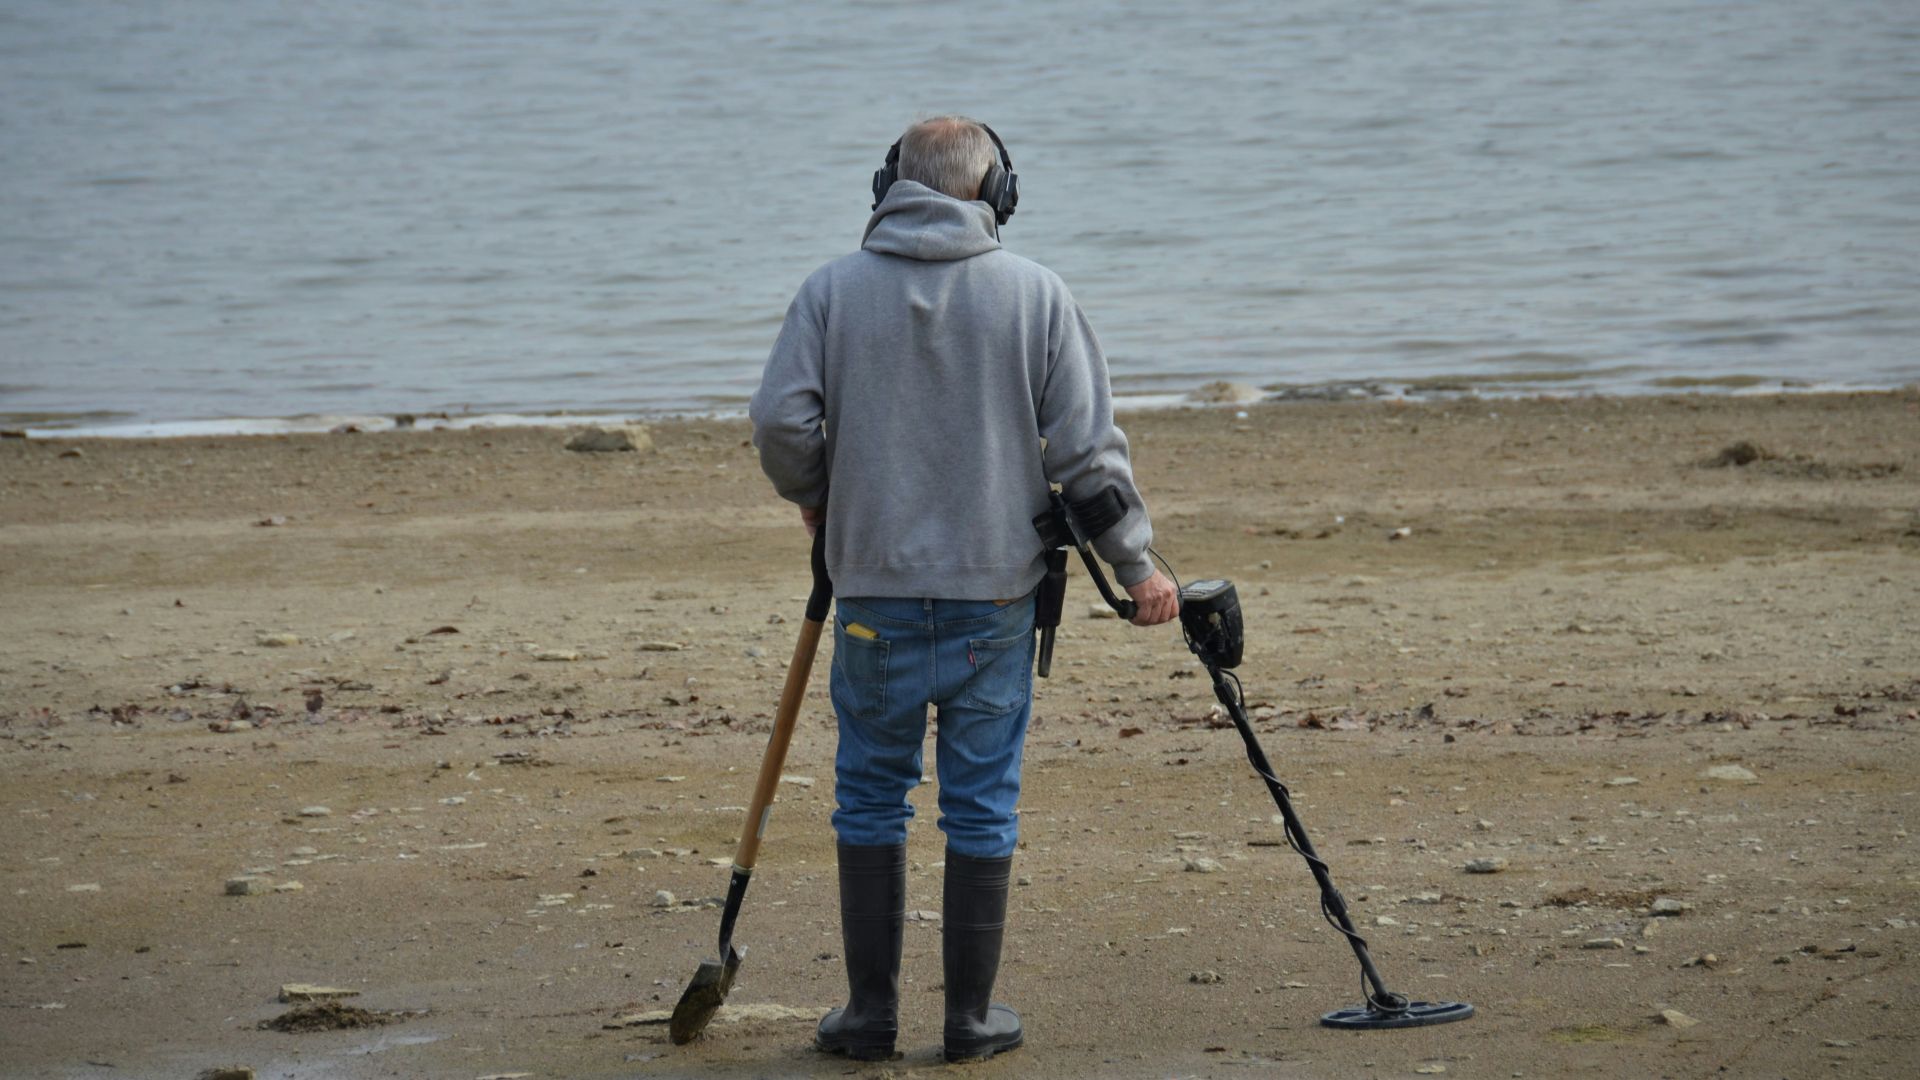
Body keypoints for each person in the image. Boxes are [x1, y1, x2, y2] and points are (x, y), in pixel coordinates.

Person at [748, 115, 1178, 1064]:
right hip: (995, 602)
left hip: (873, 598)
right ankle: (968, 1022)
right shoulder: (1037, 293)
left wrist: (821, 498)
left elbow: (780, 424)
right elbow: (1088, 459)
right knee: (980, 805)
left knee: (869, 798)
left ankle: (869, 1018)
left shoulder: (831, 291)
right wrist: (1140, 570)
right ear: (998, 195)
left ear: (887, 188)